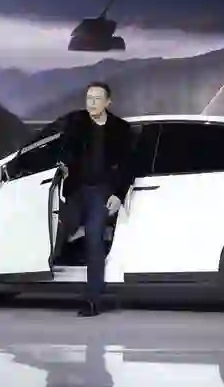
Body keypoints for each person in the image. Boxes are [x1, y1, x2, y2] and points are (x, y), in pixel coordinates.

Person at [58, 81, 134, 317]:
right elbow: (62, 151)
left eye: (97, 98)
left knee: (94, 237)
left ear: (108, 102)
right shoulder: (76, 123)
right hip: (76, 190)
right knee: (58, 227)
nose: (91, 103)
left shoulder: (120, 129)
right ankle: (32, 273)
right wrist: (63, 167)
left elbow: (129, 166)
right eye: (88, 98)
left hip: (102, 192)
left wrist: (118, 195)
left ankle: (93, 300)